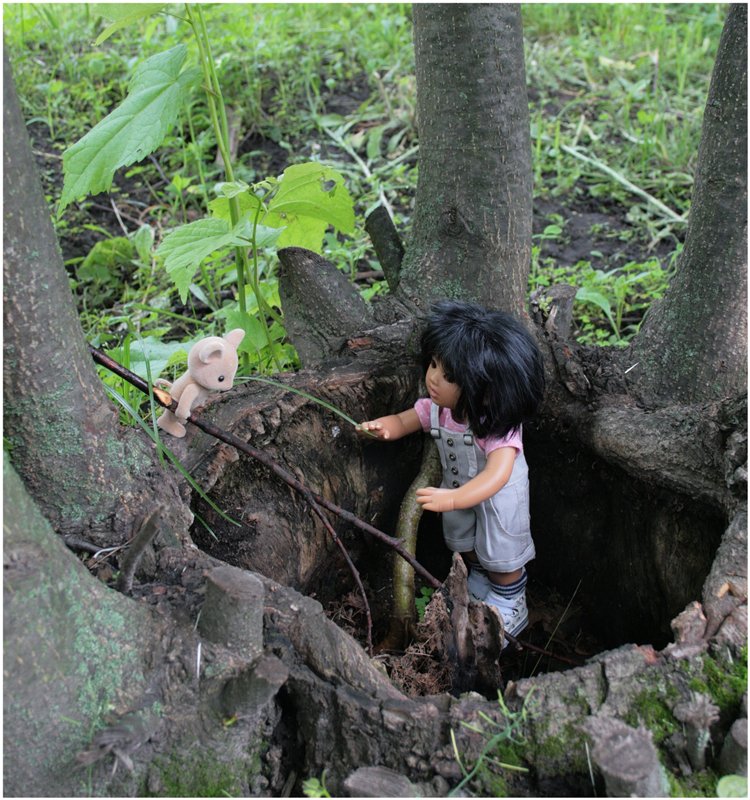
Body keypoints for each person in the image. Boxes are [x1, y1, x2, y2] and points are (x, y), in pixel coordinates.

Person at [359, 300, 545, 639]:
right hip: (457, 492)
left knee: (501, 550)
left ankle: (509, 599)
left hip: (496, 500)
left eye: (449, 376)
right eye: (433, 364)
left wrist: (456, 498)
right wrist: (384, 427)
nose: (433, 378)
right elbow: (408, 418)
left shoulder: (496, 426)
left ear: (487, 390)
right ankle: (478, 578)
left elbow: (498, 474)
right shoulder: (441, 410)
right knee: (464, 540)